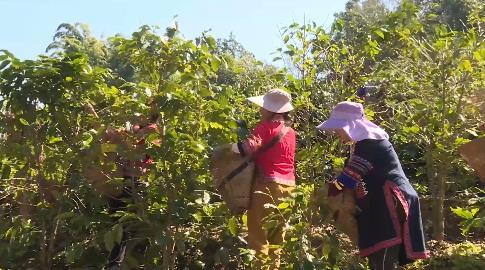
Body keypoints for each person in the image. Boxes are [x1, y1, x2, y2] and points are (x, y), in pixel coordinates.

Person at [316, 101, 429, 270]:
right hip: (380, 202)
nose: (337, 133)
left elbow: (352, 174)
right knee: (378, 258)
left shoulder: (369, 143)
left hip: (391, 201)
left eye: (338, 129)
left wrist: (334, 188)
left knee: (383, 258)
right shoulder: (363, 144)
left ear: (350, 126)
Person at [231, 88, 296, 269]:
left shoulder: (264, 127)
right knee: (276, 240)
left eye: (263, 108)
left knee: (258, 238)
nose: (260, 111)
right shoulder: (290, 132)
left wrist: (228, 149)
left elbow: (248, 148)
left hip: (266, 186)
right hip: (289, 188)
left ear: (270, 110)